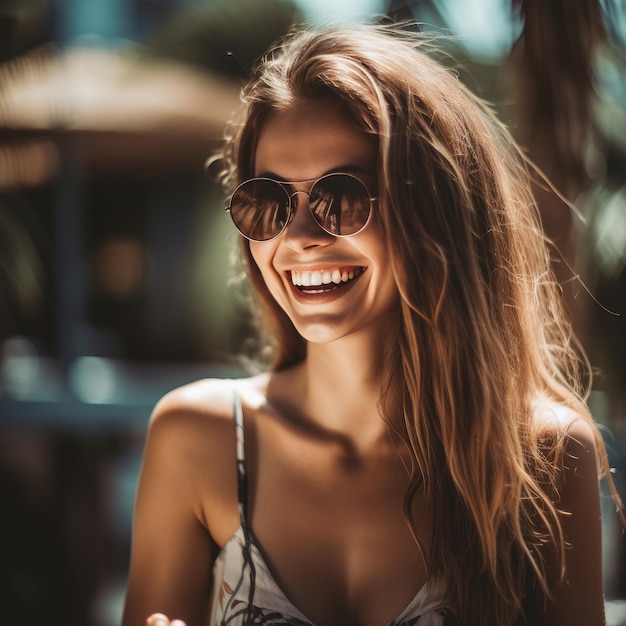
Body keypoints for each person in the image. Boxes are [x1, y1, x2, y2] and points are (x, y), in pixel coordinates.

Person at [122, 23, 622, 626]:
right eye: (267, 201)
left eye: (342, 197)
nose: (300, 238)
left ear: (437, 210)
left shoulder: (542, 459)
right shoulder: (194, 440)